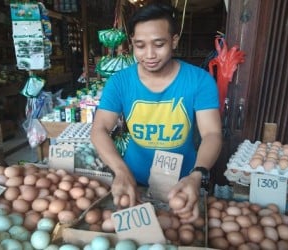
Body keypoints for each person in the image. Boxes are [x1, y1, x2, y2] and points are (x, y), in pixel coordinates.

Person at [91, 2, 222, 223]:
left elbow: (212, 134)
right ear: (131, 43)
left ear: (174, 41)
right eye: (140, 46)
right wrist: (120, 171)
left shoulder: (199, 81)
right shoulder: (120, 82)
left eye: (159, 44)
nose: (149, 54)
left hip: (182, 183)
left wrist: (197, 175)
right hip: (134, 182)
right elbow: (99, 129)